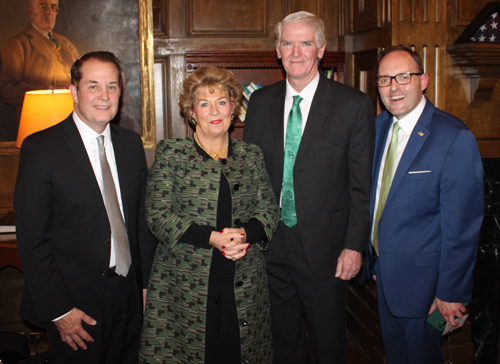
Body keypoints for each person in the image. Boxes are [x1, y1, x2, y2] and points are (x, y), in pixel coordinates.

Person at [244, 11, 375, 364]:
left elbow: (361, 186)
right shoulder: (259, 103)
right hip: (270, 245)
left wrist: (354, 246)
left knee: (327, 344)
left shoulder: (353, 105)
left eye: (305, 43)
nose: (296, 51)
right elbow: (251, 177)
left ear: (321, 48)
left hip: (326, 248)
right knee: (281, 341)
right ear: (277, 49)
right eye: (288, 42)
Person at [14, 51, 157, 364]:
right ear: (74, 91)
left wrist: (146, 286)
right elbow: (32, 243)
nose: (104, 96)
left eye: (112, 86)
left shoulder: (131, 145)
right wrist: (60, 311)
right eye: (93, 86)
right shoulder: (42, 149)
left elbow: (140, 223)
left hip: (130, 295)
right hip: (75, 305)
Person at [140, 66, 280, 364]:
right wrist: (213, 238)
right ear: (192, 113)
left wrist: (244, 235)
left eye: (222, 101)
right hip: (185, 285)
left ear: (234, 108)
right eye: (204, 103)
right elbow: (158, 213)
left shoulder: (251, 155)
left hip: (243, 284)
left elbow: (268, 210)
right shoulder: (172, 154)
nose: (214, 110)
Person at [361, 46, 484, 363]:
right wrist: (375, 261)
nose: (394, 87)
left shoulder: (453, 137)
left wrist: (451, 293)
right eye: (385, 79)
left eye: (404, 76)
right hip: (386, 279)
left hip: (429, 294)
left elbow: (462, 226)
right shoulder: (377, 129)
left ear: (424, 80)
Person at [0, 0, 79, 140]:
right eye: (43, 6)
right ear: (31, 12)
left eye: (53, 7)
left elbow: (81, 77)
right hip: (34, 125)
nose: (49, 12)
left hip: (68, 122)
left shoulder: (66, 44)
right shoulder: (18, 44)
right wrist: (44, 90)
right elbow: (6, 88)